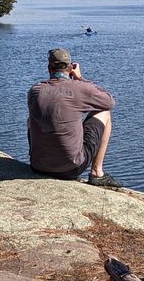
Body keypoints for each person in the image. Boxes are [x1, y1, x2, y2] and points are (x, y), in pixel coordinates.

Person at [27, 47, 121, 188]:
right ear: (70, 68)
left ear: (48, 68)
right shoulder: (78, 88)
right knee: (104, 112)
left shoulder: (34, 90)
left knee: (31, 119)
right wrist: (80, 78)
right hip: (70, 169)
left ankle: (43, 155)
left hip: (38, 166)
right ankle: (97, 173)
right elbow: (109, 101)